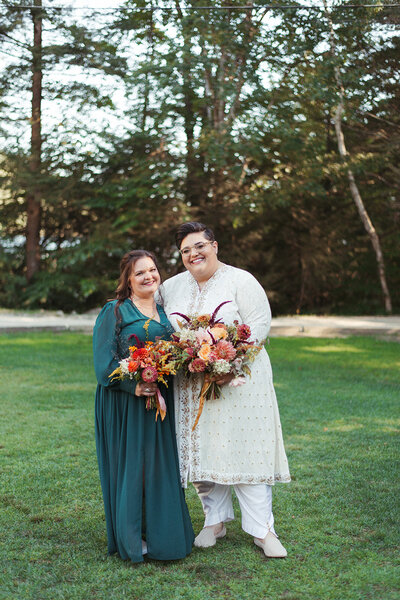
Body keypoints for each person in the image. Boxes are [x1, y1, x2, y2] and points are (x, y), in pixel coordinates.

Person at [160, 222, 291, 558]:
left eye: (199, 246)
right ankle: (214, 521)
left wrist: (227, 363)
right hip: (191, 386)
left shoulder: (241, 280)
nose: (193, 254)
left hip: (239, 382)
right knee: (203, 451)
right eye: (186, 250)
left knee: (246, 449)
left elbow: (259, 326)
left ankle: (263, 530)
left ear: (214, 246)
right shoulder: (171, 287)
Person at [93, 249, 194, 563]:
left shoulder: (166, 312)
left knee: (159, 466)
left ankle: (163, 536)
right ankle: (132, 537)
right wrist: (132, 384)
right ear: (128, 279)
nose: (149, 276)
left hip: (160, 402)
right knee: (132, 467)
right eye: (140, 273)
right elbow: (102, 364)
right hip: (125, 402)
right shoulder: (116, 311)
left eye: (152, 270)